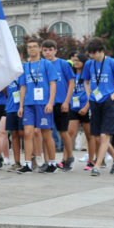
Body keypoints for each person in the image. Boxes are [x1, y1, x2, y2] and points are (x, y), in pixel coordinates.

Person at [81, 37, 114, 176]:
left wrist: (112, 97)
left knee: (104, 135)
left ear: (101, 51)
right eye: (90, 53)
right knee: (97, 137)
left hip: (108, 102)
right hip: (95, 102)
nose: (91, 56)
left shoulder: (112, 63)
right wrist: (90, 97)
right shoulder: (89, 64)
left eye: (94, 53)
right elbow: (86, 82)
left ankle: (97, 166)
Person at [17, 39, 58, 174]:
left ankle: (52, 162)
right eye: (29, 47)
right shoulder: (25, 66)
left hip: (43, 104)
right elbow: (23, 87)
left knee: (46, 134)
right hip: (29, 104)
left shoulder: (46, 64)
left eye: (34, 47)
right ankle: (28, 164)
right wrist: (21, 106)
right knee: (28, 133)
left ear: (39, 49)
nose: (32, 49)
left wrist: (50, 102)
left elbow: (53, 83)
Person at [41, 40, 75, 171]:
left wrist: (67, 101)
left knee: (63, 131)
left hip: (61, 103)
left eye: (50, 50)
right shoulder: (41, 65)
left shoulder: (63, 64)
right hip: (45, 103)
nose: (48, 52)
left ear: (55, 50)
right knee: (46, 133)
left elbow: (71, 83)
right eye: (45, 50)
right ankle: (48, 161)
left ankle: (69, 156)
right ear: (42, 52)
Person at [68, 52, 96, 171]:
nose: (76, 62)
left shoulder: (87, 76)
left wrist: (86, 107)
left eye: (78, 60)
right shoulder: (72, 75)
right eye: (74, 60)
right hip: (73, 108)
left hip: (86, 108)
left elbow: (92, 92)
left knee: (90, 136)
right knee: (70, 134)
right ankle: (68, 159)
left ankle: (91, 161)